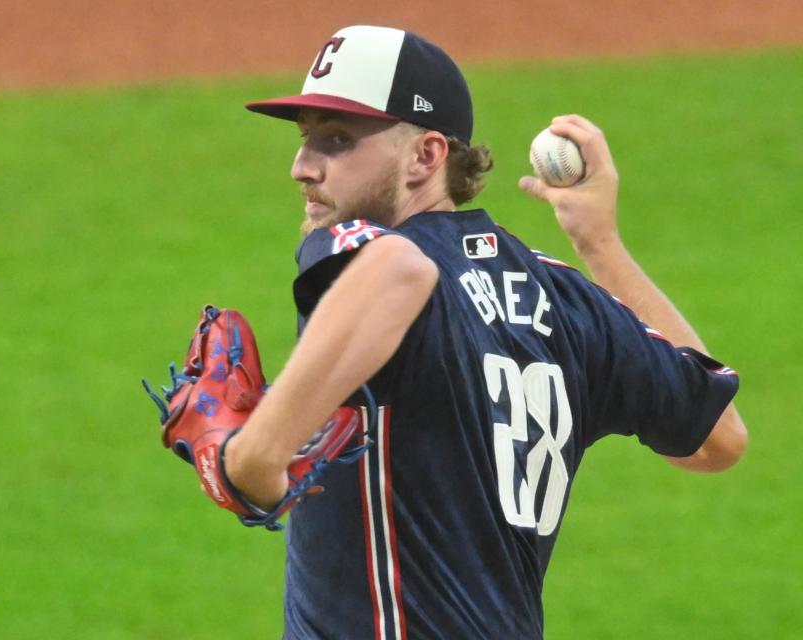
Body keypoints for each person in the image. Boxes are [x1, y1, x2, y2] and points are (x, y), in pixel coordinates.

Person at [221, 25, 747, 639]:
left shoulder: (364, 248)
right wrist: (600, 245)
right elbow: (718, 437)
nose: (302, 167)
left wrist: (254, 456)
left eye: (338, 139)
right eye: (305, 137)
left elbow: (399, 270)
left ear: (427, 155)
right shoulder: (566, 296)